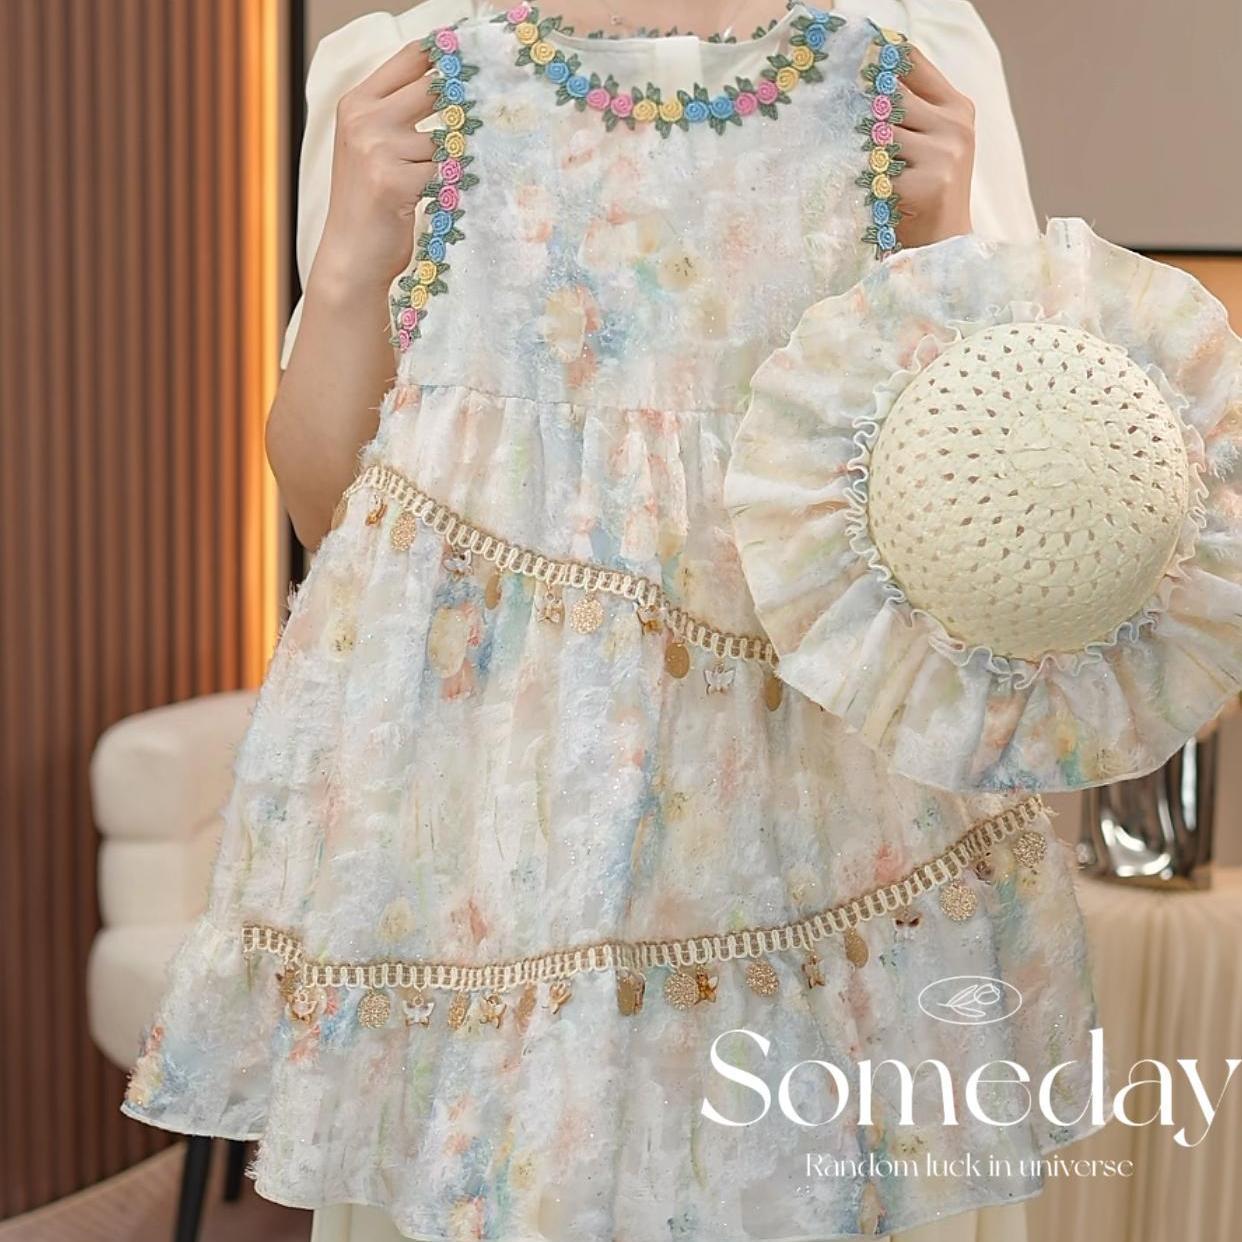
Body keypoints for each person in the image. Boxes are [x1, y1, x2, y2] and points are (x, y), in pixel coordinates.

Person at [124, 4, 1076, 1241]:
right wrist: (352, 262)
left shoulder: (913, 57)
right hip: (494, 831)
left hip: (820, 817)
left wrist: (943, 258)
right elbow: (329, 517)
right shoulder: (406, 73)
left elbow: (995, 521)